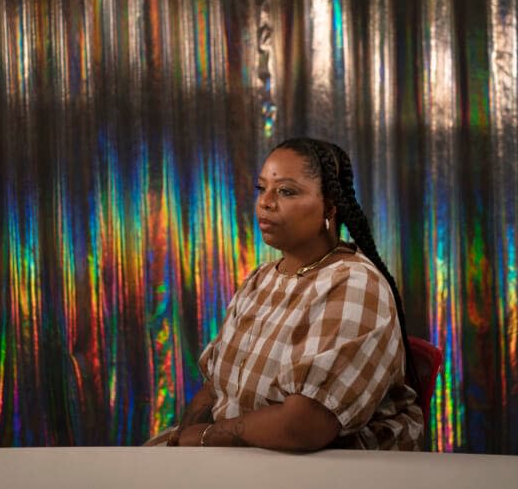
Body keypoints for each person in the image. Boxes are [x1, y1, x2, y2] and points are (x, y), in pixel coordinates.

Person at [154, 137, 422, 451]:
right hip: (244, 459)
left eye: (286, 191)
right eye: (261, 188)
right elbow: (215, 389)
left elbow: (304, 427)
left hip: (329, 469)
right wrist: (182, 448)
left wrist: (203, 439)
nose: (265, 202)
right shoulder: (261, 280)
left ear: (330, 206)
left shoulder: (354, 284)